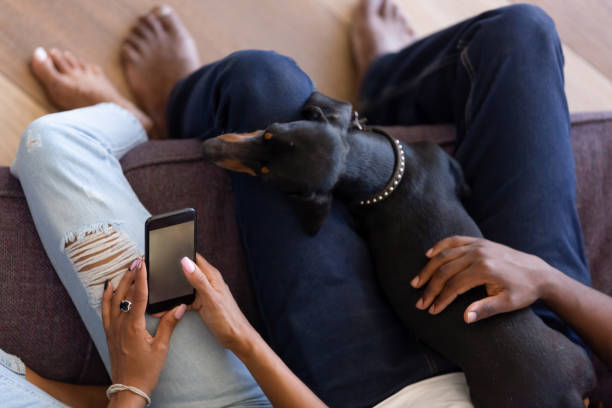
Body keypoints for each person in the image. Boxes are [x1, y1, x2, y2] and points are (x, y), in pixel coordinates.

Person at [0, 0, 608, 407]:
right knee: (519, 33)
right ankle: (389, 83)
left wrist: (239, 339)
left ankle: (172, 115)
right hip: (539, 355)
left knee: (259, 82)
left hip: (372, 391)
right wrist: (546, 279)